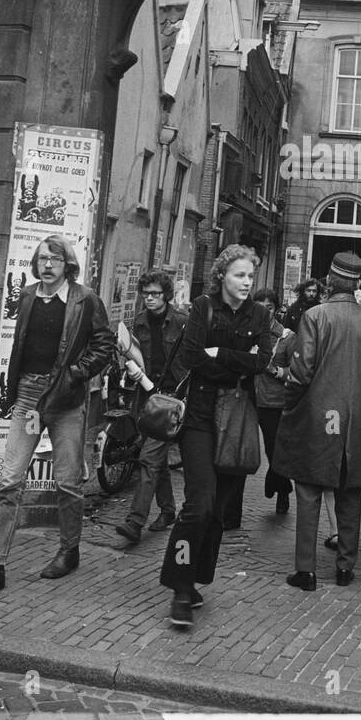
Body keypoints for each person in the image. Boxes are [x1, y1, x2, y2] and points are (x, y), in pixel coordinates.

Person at [0, 235, 114, 603]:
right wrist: (13, 391)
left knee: (66, 483)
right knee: (9, 481)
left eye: (55, 259)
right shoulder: (29, 294)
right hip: (29, 396)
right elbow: (21, 345)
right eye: (42, 258)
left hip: (65, 398)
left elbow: (105, 343)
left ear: (67, 264)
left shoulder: (85, 299)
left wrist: (78, 373)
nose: (47, 264)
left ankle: (69, 549)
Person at [159, 244, 271, 628]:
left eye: (250, 277)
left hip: (237, 422)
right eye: (239, 275)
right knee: (199, 505)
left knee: (218, 514)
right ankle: (180, 586)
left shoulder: (260, 314)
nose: (246, 283)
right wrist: (234, 361)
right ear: (222, 275)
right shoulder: (202, 309)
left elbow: (261, 362)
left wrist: (219, 352)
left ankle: (194, 580)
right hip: (201, 420)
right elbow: (192, 359)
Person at [274, 251, 361, 591]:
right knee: (351, 492)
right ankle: (345, 569)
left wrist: (290, 407)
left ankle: (306, 571)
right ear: (357, 284)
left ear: (329, 281)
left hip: (319, 416)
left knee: (308, 490)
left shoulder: (314, 317)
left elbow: (301, 373)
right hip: (356, 419)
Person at [115, 271, 188, 544]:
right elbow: (132, 354)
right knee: (156, 460)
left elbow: (192, 361)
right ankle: (168, 510)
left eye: (155, 294)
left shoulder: (181, 322)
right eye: (146, 294)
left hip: (171, 399)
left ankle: (134, 522)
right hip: (147, 397)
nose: (150, 299)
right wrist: (129, 366)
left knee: (148, 458)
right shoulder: (139, 323)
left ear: (166, 295)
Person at [253, 287, 295, 515]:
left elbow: (296, 372)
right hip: (249, 397)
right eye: (259, 307)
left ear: (276, 310)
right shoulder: (247, 333)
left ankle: (281, 490)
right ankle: (281, 482)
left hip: (273, 401)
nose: (263, 312)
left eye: (268, 308)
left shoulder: (286, 338)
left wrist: (276, 370)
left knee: (273, 448)